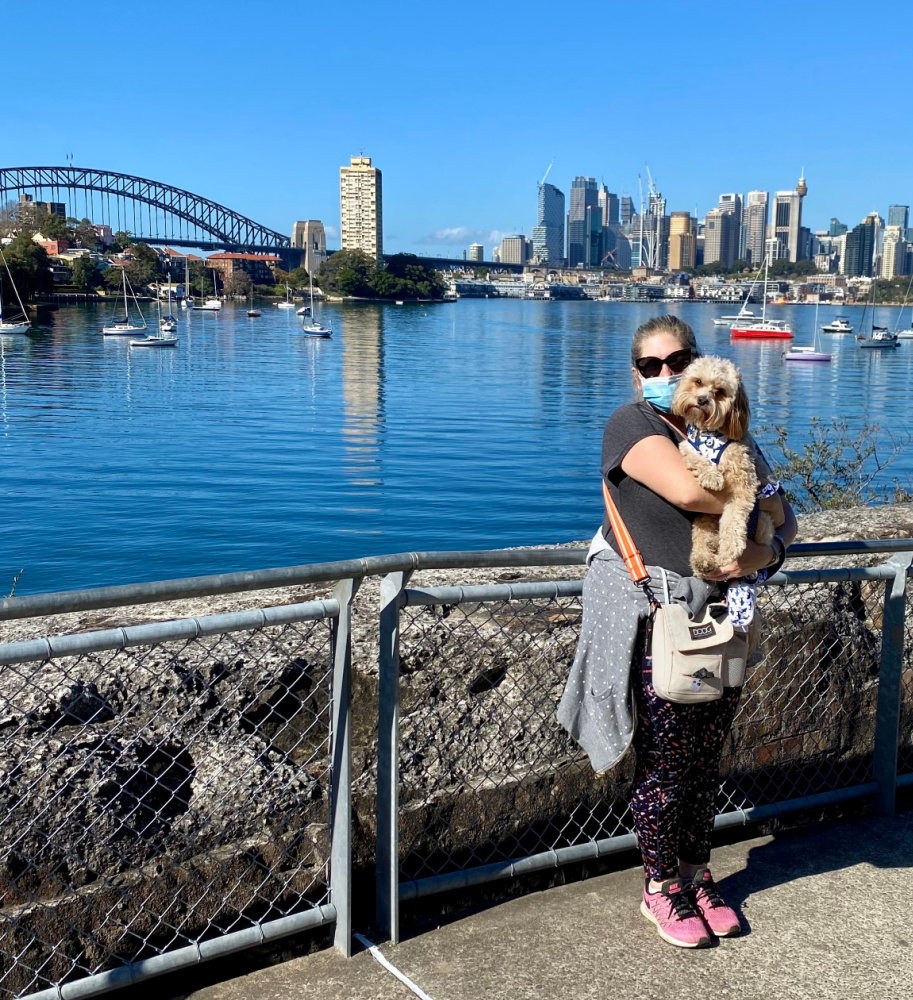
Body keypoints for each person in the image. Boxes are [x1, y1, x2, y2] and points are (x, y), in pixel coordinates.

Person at [557, 315, 797, 949]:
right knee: (664, 761)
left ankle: (698, 872)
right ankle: (661, 884)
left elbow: (789, 527)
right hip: (659, 619)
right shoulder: (631, 426)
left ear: (696, 361)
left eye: (677, 361)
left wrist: (755, 554)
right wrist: (756, 499)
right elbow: (693, 492)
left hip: (723, 619)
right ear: (636, 374)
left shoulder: (726, 431)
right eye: (651, 366)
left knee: (704, 758)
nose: (666, 375)